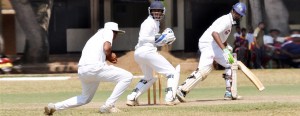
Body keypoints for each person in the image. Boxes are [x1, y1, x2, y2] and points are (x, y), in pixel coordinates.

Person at [44, 22, 133, 115]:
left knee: (85, 98)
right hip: (95, 68)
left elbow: (99, 52)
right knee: (127, 77)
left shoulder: (96, 37)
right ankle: (109, 105)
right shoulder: (108, 32)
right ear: (114, 32)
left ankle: (54, 106)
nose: (116, 37)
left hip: (83, 70)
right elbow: (107, 48)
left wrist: (108, 57)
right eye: (117, 34)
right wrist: (110, 55)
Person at [176, 2, 246, 102]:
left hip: (212, 44)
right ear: (233, 10)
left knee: (231, 64)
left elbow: (221, 36)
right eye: (237, 13)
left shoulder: (229, 22)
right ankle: (181, 90)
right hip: (208, 44)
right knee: (204, 70)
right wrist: (225, 50)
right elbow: (215, 34)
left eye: (239, 14)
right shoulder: (226, 20)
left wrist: (227, 46)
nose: (238, 15)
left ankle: (230, 92)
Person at [126, 1, 180, 106]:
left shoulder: (156, 23)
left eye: (159, 11)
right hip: (147, 51)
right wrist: (161, 38)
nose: (157, 13)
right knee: (172, 73)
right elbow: (143, 38)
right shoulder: (148, 22)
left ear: (163, 12)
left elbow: (154, 41)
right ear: (150, 11)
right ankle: (170, 98)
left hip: (140, 53)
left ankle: (132, 98)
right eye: (154, 11)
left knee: (149, 77)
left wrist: (164, 40)